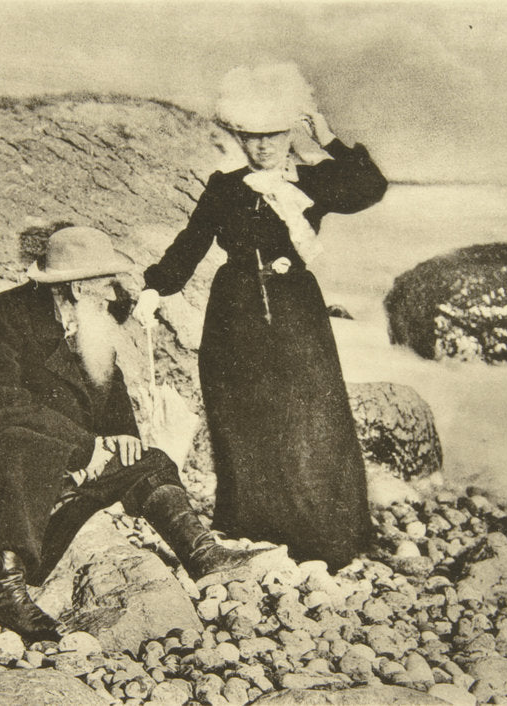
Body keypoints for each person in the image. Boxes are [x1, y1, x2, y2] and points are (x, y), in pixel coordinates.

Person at [0, 226, 265, 641]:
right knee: (25, 451)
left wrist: (120, 433)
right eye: (105, 285)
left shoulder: (87, 317)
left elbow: (109, 380)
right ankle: (2, 587)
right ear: (75, 287)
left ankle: (202, 554)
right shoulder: (6, 316)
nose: (113, 294)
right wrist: (85, 447)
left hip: (56, 435)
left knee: (146, 461)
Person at [132, 63, 388, 570]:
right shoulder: (224, 186)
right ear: (239, 138)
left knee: (309, 417)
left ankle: (324, 537)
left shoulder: (313, 181)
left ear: (289, 133)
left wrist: (329, 136)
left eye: (273, 135)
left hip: (297, 311)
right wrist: (155, 288)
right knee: (243, 414)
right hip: (233, 311)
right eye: (252, 137)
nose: (264, 146)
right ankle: (250, 526)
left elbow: (371, 187)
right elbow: (191, 243)